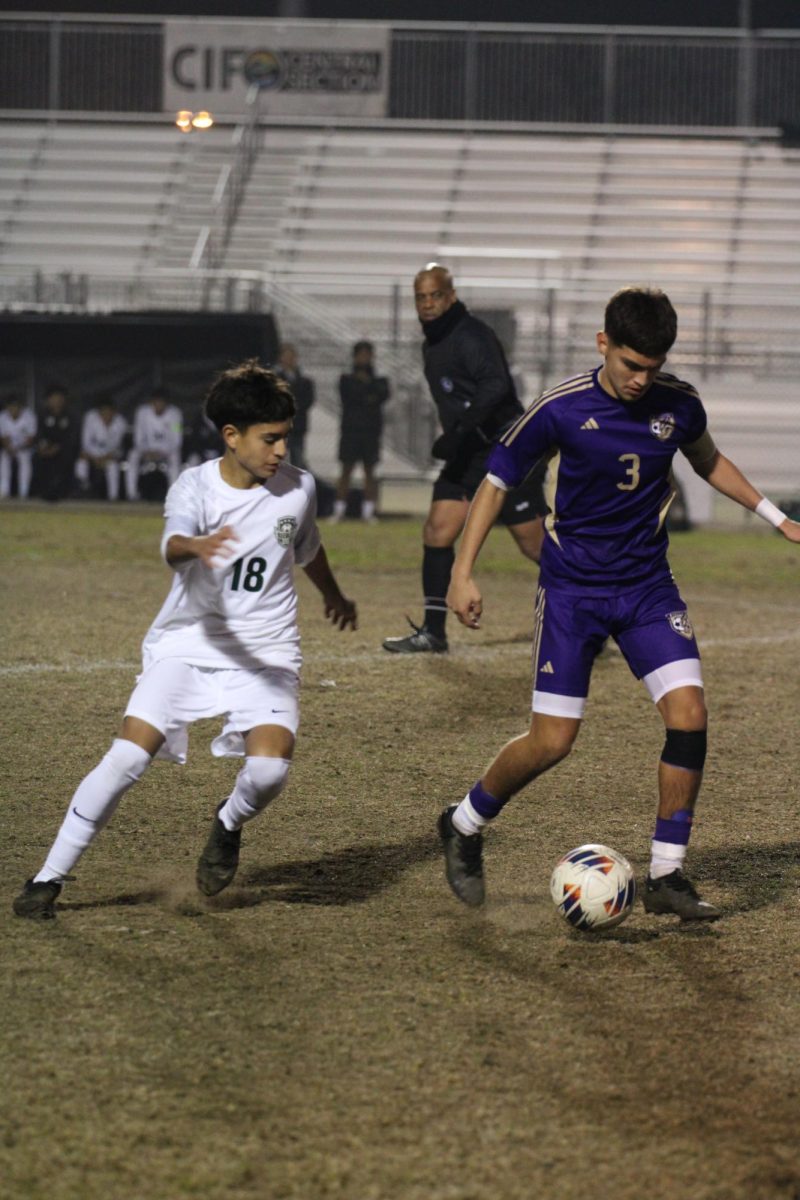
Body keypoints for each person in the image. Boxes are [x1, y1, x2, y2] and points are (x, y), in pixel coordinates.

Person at [439, 286, 800, 920]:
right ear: (603, 344)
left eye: (652, 369)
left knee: (689, 713)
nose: (640, 380)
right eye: (631, 365)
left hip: (646, 589)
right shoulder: (560, 409)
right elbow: (496, 481)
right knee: (553, 741)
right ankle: (464, 822)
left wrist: (775, 516)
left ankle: (666, 873)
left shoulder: (679, 404)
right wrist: (461, 572)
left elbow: (708, 461)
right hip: (573, 592)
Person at [13, 360, 357, 921]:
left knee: (270, 772)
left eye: (285, 438)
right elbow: (173, 543)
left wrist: (334, 596)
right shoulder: (194, 487)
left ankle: (227, 823)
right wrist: (195, 548)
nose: (280, 450)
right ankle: (48, 878)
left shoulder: (299, 489)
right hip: (188, 645)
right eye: (269, 439)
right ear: (231, 436)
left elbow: (308, 548)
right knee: (127, 755)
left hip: (267, 653)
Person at [382, 264, 548, 654]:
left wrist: (458, 432)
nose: (427, 303)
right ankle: (433, 631)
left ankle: (595, 615)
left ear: (450, 296)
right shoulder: (432, 342)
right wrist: (457, 437)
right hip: (467, 453)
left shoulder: (471, 335)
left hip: (505, 449)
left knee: (536, 546)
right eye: (420, 297)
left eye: (434, 295)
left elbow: (496, 386)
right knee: (438, 530)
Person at [331, 340, 390, 523]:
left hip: (371, 432)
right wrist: (367, 393)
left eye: (367, 354)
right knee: (346, 470)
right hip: (350, 431)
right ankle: (339, 510)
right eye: (361, 354)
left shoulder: (380, 379)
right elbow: (350, 397)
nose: (364, 358)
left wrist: (366, 391)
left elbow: (381, 396)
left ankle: (368, 512)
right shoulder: (346, 379)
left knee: (370, 471)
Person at [126, 388, 183, 501]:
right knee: (132, 455)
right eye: (156, 402)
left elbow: (177, 440)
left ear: (166, 403)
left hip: (167, 451)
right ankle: (131, 494)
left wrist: (162, 453)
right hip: (146, 450)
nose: (158, 405)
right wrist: (146, 451)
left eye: (161, 402)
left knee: (176, 457)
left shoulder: (176, 414)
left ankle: (174, 497)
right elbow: (138, 438)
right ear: (151, 402)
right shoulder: (142, 413)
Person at [32, 384, 79, 502]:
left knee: (66, 458)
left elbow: (72, 438)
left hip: (64, 450)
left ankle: (64, 492)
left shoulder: (70, 416)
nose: (56, 402)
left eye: (59, 399)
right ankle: (40, 491)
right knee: (37, 458)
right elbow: (39, 434)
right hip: (46, 449)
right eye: (53, 399)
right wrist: (43, 447)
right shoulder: (42, 415)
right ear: (48, 400)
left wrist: (57, 448)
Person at [75, 396, 128, 500]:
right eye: (103, 412)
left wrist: (105, 458)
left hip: (110, 456)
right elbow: (86, 443)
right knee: (81, 462)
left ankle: (113, 497)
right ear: (98, 412)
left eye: (109, 412)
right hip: (92, 454)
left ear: (114, 412)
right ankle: (83, 490)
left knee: (113, 466)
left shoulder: (121, 423)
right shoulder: (90, 417)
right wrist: (94, 458)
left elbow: (117, 448)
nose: (106, 415)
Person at [273, 342, 315, 471]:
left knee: (298, 458)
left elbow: (308, 400)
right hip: (280, 424)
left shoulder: (304, 381)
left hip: (298, 424)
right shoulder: (275, 379)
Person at [0, 396, 37, 498]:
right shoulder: (2, 417)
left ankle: (23, 492)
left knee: (24, 460)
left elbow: (31, 439)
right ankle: (4, 491)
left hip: (25, 448)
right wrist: (9, 448)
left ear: (20, 407)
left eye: (15, 407)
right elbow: (3, 438)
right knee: (3, 459)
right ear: (7, 408)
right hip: (9, 448)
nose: (13, 409)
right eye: (11, 407)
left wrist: (19, 448)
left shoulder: (29, 416)